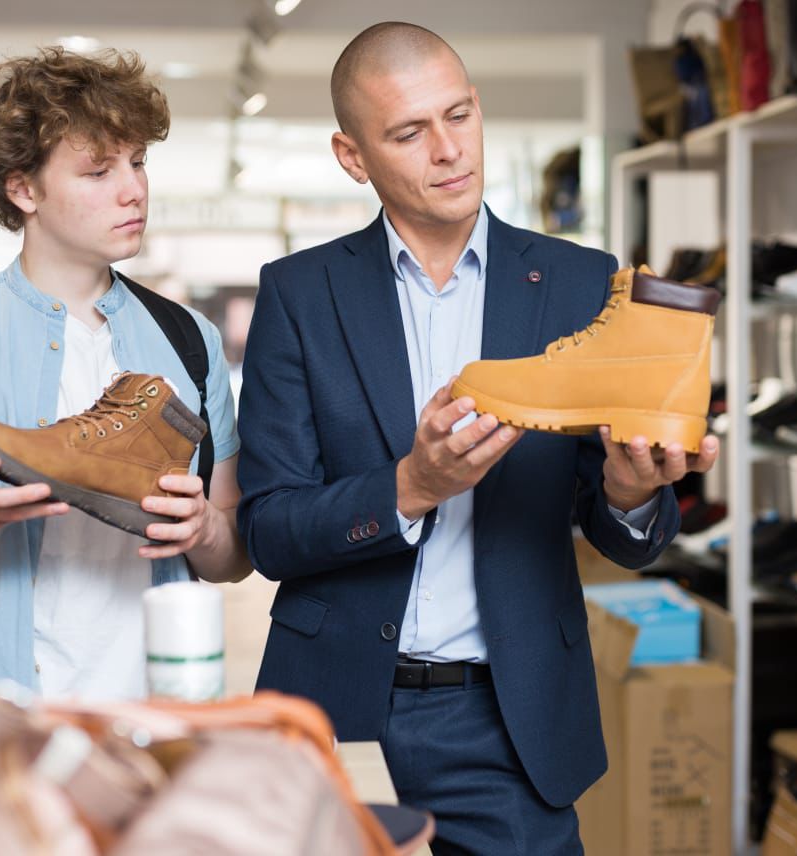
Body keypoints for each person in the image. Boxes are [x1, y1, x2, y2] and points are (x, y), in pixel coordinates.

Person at [236, 22, 719, 854]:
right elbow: (269, 530)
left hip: (510, 717)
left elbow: (621, 535)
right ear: (353, 157)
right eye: (409, 133)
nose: (449, 150)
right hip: (336, 704)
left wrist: (632, 492)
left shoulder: (576, 280)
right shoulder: (298, 293)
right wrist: (409, 488)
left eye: (459, 115)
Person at [0, 47, 250, 700]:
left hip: (160, 713)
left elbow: (233, 556)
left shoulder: (190, 342)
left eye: (138, 162)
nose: (134, 189)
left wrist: (204, 529)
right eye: (98, 171)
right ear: (23, 188)